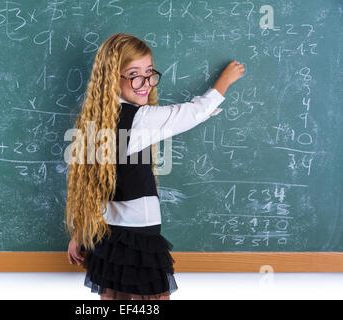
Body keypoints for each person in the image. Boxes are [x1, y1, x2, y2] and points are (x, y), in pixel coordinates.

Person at [65, 33, 244, 300]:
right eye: (134, 74)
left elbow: (92, 186)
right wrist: (224, 82)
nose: (145, 83)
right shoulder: (138, 120)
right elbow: (192, 113)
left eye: (149, 72)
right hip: (137, 239)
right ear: (111, 77)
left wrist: (80, 232)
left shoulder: (94, 120)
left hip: (107, 240)